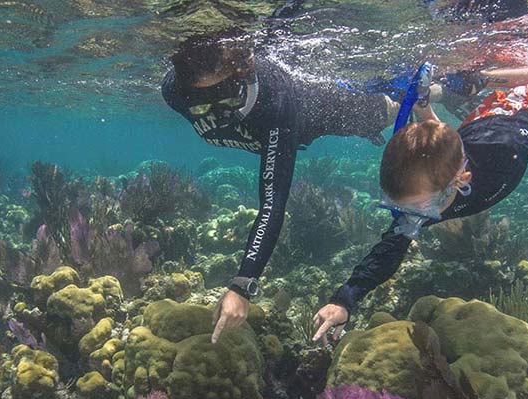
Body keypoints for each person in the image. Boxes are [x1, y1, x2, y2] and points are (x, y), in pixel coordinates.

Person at [310, 65, 528, 343]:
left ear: (462, 181)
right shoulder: (422, 202)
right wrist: (344, 300)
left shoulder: (509, 147)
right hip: (469, 132)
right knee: (452, 143)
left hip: (516, 117)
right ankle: (426, 101)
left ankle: (479, 80)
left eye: (422, 206)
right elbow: (387, 252)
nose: (414, 218)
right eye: (401, 207)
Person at [160, 28, 402, 344]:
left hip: (314, 109)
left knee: (386, 110)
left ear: (242, 73)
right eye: (201, 101)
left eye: (225, 94)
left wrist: (242, 285)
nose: (218, 111)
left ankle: (438, 90)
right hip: (273, 125)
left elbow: (273, 201)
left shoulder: (273, 98)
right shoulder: (174, 92)